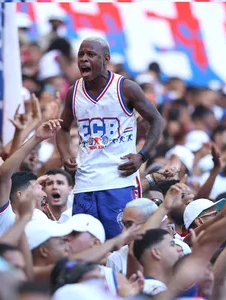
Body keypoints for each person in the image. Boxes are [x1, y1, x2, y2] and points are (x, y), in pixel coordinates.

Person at [57, 37, 164, 239]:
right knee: (83, 243)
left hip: (119, 181)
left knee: (121, 242)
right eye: (81, 54)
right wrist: (64, 155)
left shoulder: (125, 88)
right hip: (85, 182)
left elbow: (156, 120)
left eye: (91, 54)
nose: (84, 59)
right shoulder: (73, 92)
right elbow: (62, 129)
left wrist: (142, 155)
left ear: (106, 59)